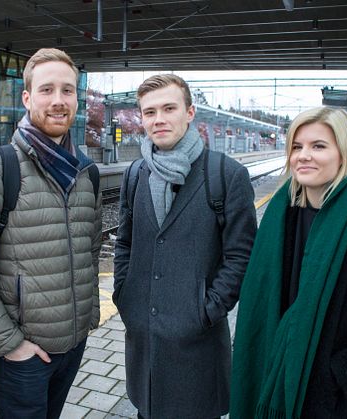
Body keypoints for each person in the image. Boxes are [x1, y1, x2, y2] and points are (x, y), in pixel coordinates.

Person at [230, 106, 347, 419]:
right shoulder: (278, 218)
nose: (303, 155)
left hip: (327, 401)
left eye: (318, 146)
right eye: (297, 146)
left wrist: (338, 374)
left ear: (343, 153)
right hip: (265, 374)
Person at [0, 48, 101, 419]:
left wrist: (89, 317)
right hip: (23, 353)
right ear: (27, 97)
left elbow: (90, 248)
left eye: (67, 91)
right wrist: (9, 343)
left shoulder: (86, 172)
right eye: (46, 89)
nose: (58, 100)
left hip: (73, 342)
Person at [113, 74, 257, 419]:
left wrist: (207, 309)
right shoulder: (136, 174)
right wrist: (124, 293)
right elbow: (125, 243)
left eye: (168, 108)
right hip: (144, 337)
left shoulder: (226, 175)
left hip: (198, 342)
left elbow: (241, 255)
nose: (158, 119)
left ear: (190, 112)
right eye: (149, 112)